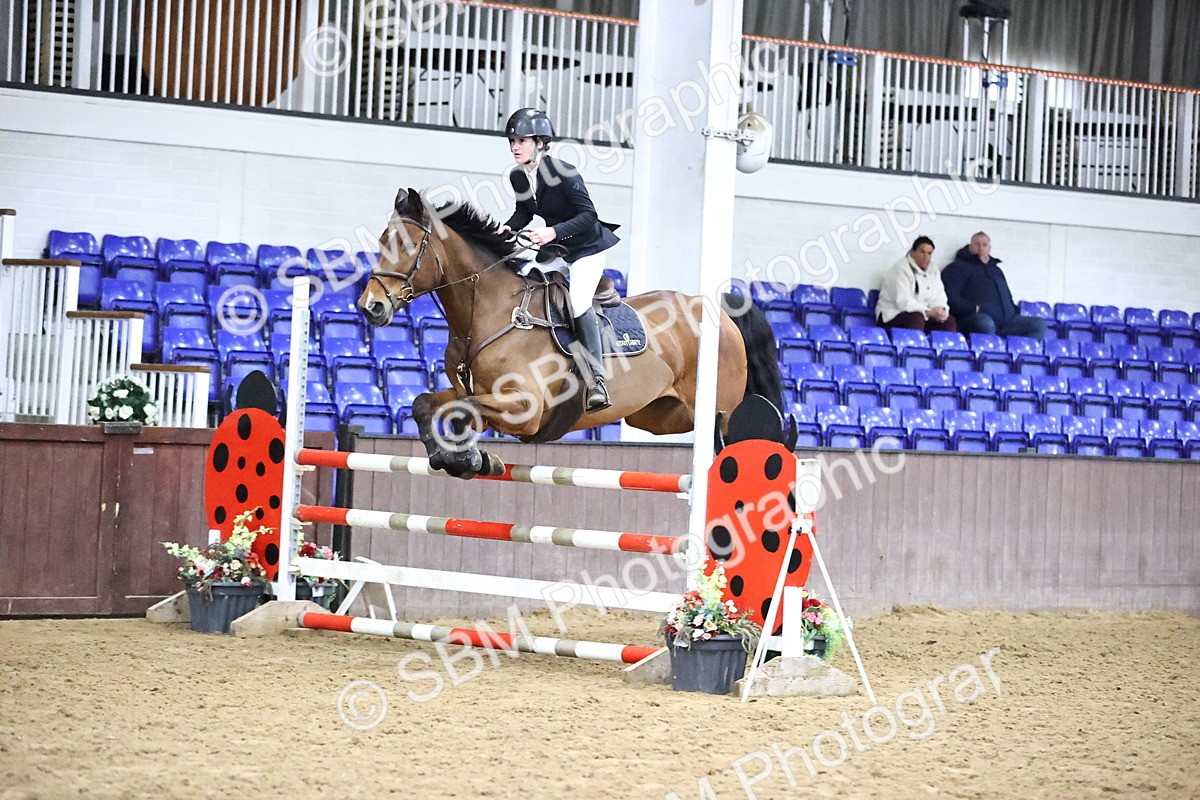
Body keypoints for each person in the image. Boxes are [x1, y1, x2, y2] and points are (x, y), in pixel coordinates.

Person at [500, 107, 620, 412]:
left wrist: (551, 232)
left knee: (579, 300)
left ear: (540, 142)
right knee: (524, 277)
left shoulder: (564, 172)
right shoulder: (518, 175)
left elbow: (588, 216)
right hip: (558, 251)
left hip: (587, 248)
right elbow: (525, 213)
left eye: (522, 140)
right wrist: (505, 229)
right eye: (512, 140)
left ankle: (596, 379)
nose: (515, 146)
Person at [941, 231, 1048, 340]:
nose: (981, 248)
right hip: (975, 320)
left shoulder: (996, 270)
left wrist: (1013, 310)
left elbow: (1007, 296)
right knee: (985, 323)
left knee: (1039, 324)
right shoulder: (956, 268)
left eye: (984, 245)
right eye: (977, 244)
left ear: (989, 248)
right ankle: (992, 354)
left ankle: (1021, 356)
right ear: (970, 247)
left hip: (1007, 323)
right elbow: (950, 298)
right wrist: (972, 308)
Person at [876, 235, 956, 332]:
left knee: (948, 321)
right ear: (913, 252)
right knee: (916, 318)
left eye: (929, 253)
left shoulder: (934, 271)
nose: (926, 257)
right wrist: (928, 312)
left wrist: (940, 310)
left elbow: (939, 296)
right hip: (892, 315)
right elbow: (903, 301)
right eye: (922, 252)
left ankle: (945, 347)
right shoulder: (900, 269)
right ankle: (913, 347)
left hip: (924, 316)